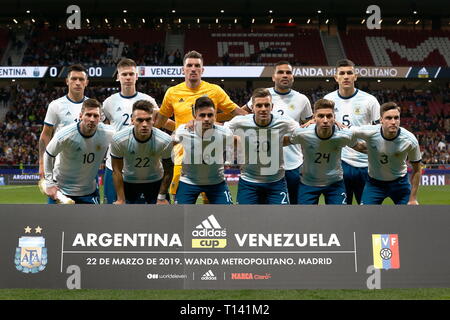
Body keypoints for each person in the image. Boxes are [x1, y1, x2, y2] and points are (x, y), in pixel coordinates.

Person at [154, 50, 247, 202]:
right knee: (180, 196)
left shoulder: (215, 90)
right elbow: (161, 121)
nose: (193, 69)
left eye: (197, 65)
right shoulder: (172, 92)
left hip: (210, 149)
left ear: (202, 70)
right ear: (183, 69)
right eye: (189, 65)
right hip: (182, 152)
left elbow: (235, 112)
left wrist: (257, 123)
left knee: (210, 199)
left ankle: (209, 223)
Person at [243, 61, 313, 204]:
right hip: (265, 165)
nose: (285, 75)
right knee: (262, 211)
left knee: (293, 209)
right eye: (280, 72)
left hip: (292, 164)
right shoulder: (262, 97)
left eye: (288, 72)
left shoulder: (302, 99)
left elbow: (310, 128)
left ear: (293, 77)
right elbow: (240, 114)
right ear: (273, 77)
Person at [225, 88, 299, 205]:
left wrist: (313, 123)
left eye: (266, 105)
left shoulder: (284, 122)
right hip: (248, 182)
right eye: (259, 106)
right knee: (245, 220)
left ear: (272, 107)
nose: (263, 109)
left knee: (281, 220)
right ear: (253, 108)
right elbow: (220, 132)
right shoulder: (240, 122)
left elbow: (303, 132)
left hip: (276, 182)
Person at [102, 58, 160, 204]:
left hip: (141, 165)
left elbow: (158, 125)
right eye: (124, 74)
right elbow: (103, 127)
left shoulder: (148, 100)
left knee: (140, 213)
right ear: (118, 77)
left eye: (131, 74)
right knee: (112, 210)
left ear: (137, 76)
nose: (128, 77)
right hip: (114, 163)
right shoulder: (109, 102)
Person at [286, 99, 364, 205]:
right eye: (321, 116)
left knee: (338, 219)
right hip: (308, 183)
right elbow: (282, 142)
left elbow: (361, 148)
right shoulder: (303, 133)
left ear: (334, 118)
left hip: (335, 184)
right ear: (314, 118)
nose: (325, 120)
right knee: (304, 219)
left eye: (329, 116)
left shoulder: (343, 135)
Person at [324, 59, 381, 204]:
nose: (346, 76)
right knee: (341, 212)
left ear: (355, 76)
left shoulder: (370, 101)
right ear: (336, 77)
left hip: (365, 164)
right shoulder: (328, 100)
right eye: (342, 73)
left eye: (349, 73)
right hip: (339, 163)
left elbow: (379, 133)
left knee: (368, 212)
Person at [43, 99, 114, 204]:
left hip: (89, 192)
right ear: (80, 116)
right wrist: (49, 184)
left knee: (94, 221)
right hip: (62, 191)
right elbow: (48, 154)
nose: (92, 119)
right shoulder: (65, 135)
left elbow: (125, 141)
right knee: (54, 220)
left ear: (100, 118)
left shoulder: (108, 133)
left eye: (96, 116)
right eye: (88, 115)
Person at [352, 102, 422, 205]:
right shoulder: (370, 132)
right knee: (366, 217)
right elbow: (348, 132)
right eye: (388, 118)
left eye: (396, 118)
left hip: (400, 184)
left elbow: (417, 170)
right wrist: (354, 145)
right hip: (374, 184)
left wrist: (413, 198)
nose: (393, 122)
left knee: (408, 218)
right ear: (381, 120)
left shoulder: (410, 140)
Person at [110, 100, 173, 204]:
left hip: (156, 182)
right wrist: (121, 199)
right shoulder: (119, 139)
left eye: (148, 120)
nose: (144, 124)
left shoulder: (165, 140)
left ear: (153, 120)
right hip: (128, 182)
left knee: (161, 218)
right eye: (140, 120)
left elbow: (169, 171)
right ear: (132, 120)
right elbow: (116, 171)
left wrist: (161, 197)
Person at [173, 96, 234, 204]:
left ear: (215, 115)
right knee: (179, 217)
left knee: (227, 216)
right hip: (188, 182)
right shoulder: (183, 131)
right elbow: (167, 145)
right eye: (202, 115)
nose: (206, 119)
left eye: (210, 115)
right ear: (195, 115)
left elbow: (240, 142)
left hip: (217, 183)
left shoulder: (225, 132)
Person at [39, 64, 89, 178]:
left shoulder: (93, 106)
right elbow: (45, 135)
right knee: (57, 196)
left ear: (86, 82)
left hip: (86, 166)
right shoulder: (55, 105)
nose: (77, 82)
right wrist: (42, 163)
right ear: (67, 81)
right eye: (73, 79)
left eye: (81, 79)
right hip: (60, 167)